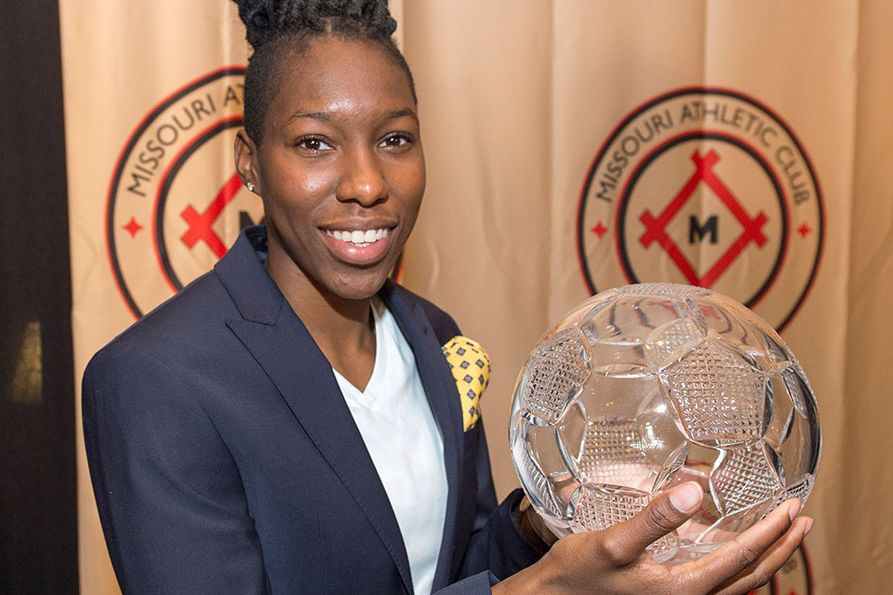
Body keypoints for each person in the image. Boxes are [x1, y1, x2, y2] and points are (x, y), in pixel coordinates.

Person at [82, 1, 813, 593]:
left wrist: (566, 510)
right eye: (314, 143)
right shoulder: (157, 378)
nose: (367, 182)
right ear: (249, 162)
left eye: (395, 139)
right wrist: (547, 593)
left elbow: (459, 568)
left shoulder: (431, 336)